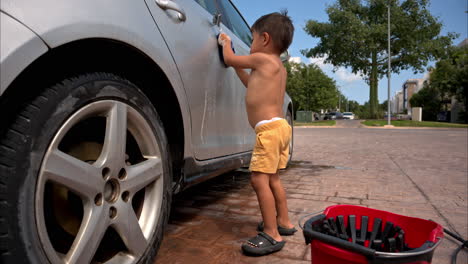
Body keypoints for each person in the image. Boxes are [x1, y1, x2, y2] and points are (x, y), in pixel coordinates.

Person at [218, 11, 296, 256]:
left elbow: (229, 59)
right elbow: (249, 83)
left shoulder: (262, 59)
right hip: (281, 128)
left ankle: (271, 233)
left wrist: (225, 43)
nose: (250, 45)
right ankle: (284, 222)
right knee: (273, 179)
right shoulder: (276, 67)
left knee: (258, 180)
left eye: (251, 39)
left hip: (269, 131)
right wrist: (236, 69)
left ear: (264, 39)